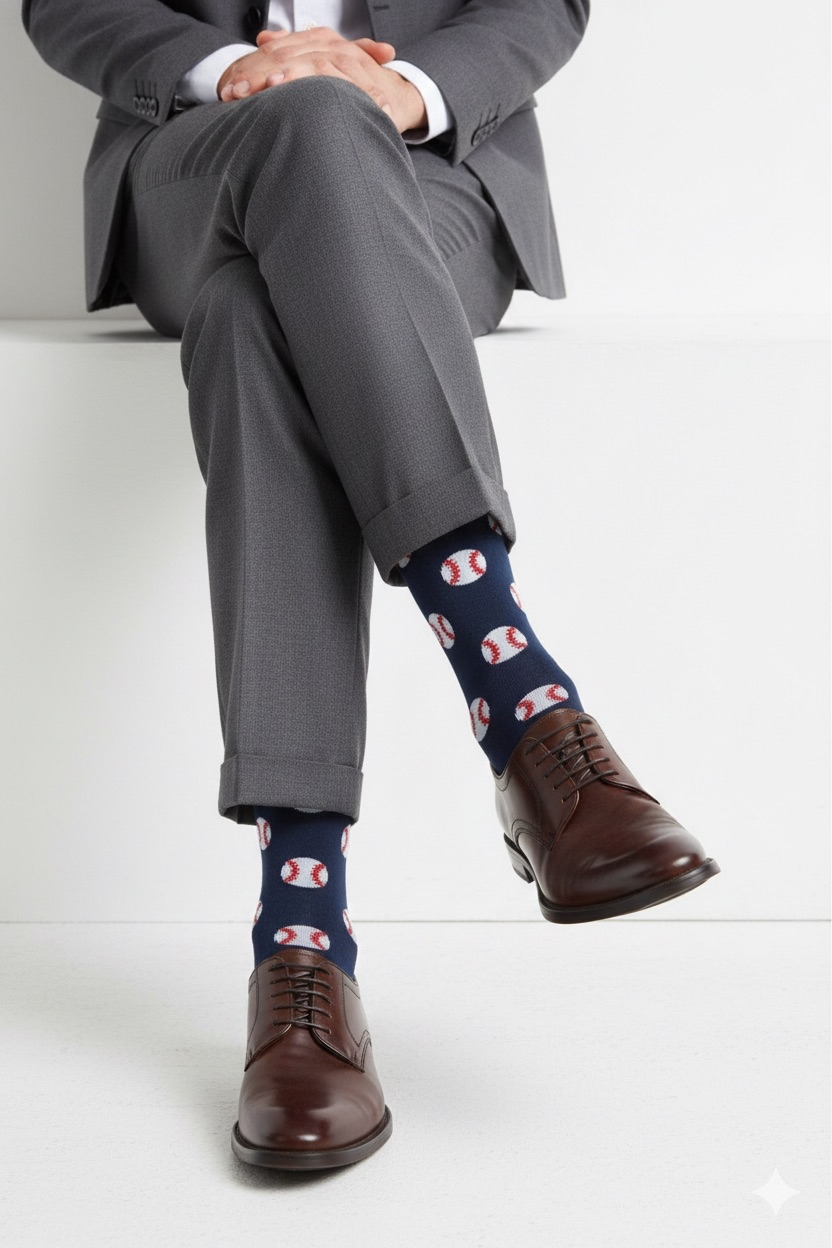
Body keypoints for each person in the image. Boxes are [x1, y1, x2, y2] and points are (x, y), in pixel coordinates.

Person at [22, 0, 720, 1172]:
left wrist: (406, 91)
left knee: (254, 314)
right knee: (306, 125)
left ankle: (302, 944)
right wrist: (239, 66)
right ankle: (525, 706)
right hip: (199, 162)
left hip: (428, 177)